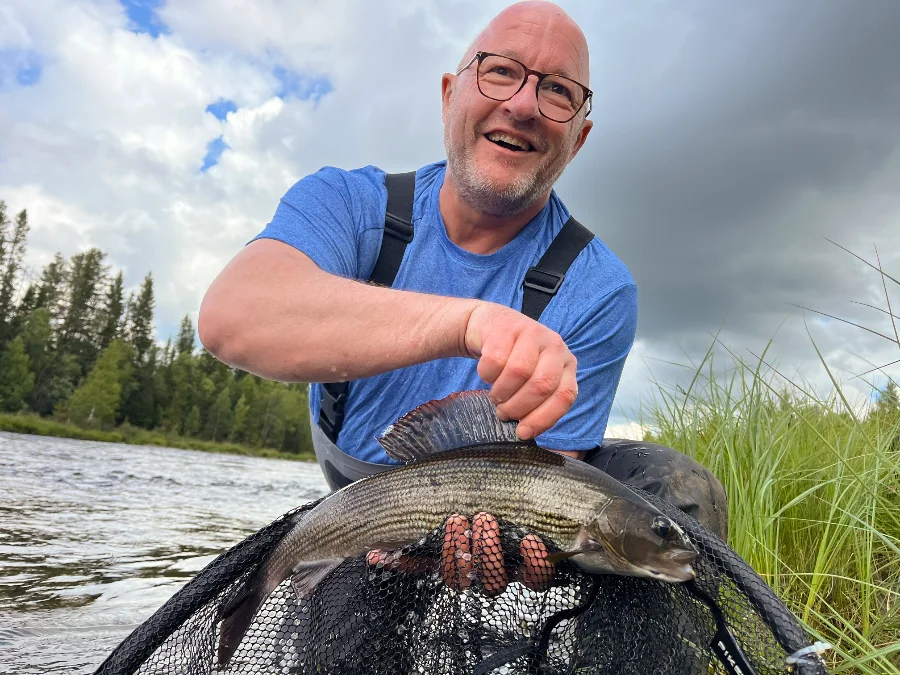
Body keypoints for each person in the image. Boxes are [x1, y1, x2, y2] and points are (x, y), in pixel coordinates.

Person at [199, 1, 727, 596]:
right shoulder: (348, 204)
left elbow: (558, 473)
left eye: (558, 90)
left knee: (678, 489)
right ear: (451, 94)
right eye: (500, 71)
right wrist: (468, 322)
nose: (524, 104)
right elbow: (230, 319)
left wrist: (524, 558)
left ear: (578, 139)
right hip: (363, 509)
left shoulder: (598, 288)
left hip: (492, 513)